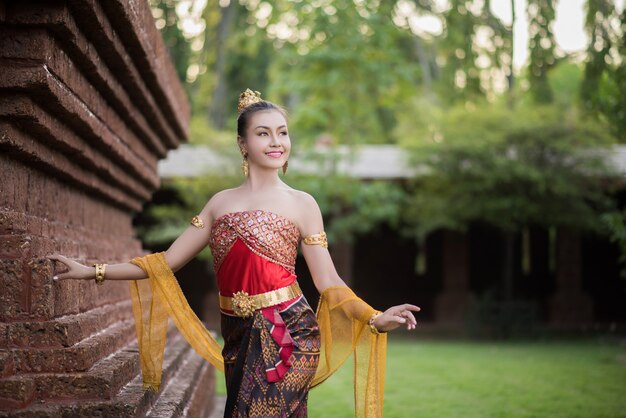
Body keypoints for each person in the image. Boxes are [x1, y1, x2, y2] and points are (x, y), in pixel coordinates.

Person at [49, 89, 420, 418]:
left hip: (291, 334)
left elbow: (328, 282)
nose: (277, 142)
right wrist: (91, 271)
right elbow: (165, 263)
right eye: (263, 133)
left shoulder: (303, 204)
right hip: (238, 335)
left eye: (283, 132)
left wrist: (373, 318)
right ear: (243, 143)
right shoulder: (219, 204)